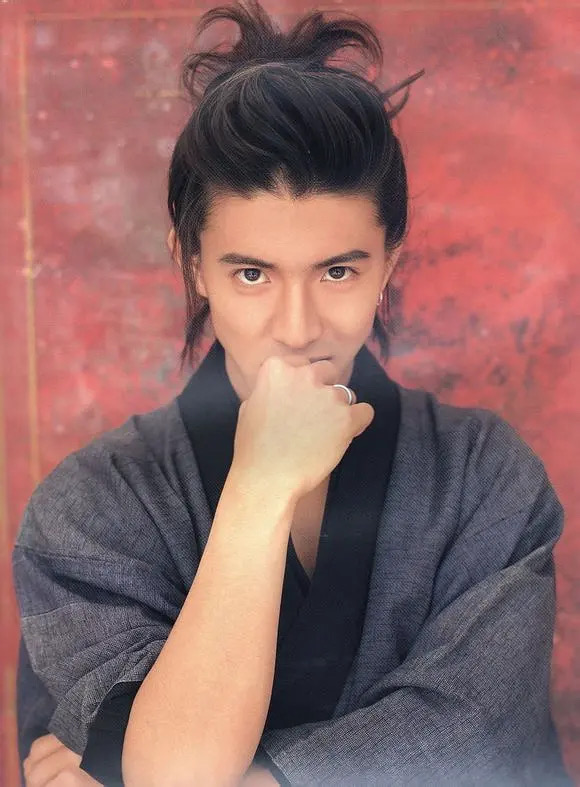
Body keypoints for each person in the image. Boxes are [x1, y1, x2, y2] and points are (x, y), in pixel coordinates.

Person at [12, 1, 572, 785]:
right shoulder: (92, 508)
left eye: (337, 270)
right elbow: (177, 769)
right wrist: (260, 487)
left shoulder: (484, 477)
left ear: (388, 263)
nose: (298, 325)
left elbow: (468, 730)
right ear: (192, 264)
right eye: (253, 273)